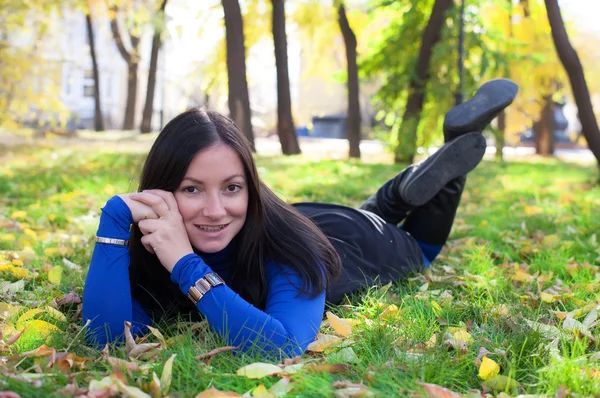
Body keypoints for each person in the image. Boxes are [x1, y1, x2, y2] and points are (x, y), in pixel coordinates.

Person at [82, 79, 518, 358]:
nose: (214, 209)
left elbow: (284, 346)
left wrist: (185, 265)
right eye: (192, 189)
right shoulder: (153, 241)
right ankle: (403, 188)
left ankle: (450, 154)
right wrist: (116, 219)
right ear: (161, 191)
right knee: (372, 210)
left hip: (355, 242)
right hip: (316, 217)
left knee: (419, 252)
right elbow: (105, 338)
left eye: (232, 187)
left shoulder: (289, 250)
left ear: (251, 187)